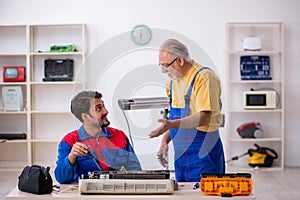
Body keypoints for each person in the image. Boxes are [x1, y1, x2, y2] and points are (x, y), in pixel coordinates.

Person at [149, 39, 225, 182]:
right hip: (181, 158)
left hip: (203, 154)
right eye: (161, 65)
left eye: (166, 65)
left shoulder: (204, 77)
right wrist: (165, 141)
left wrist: (171, 125)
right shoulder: (172, 84)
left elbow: (204, 117)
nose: (163, 70)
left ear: (180, 61)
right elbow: (175, 120)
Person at [55, 91, 141, 184]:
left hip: (114, 192)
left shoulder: (120, 136)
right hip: (82, 196)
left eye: (103, 106)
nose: (105, 111)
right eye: (99, 109)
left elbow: (136, 172)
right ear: (85, 116)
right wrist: (71, 157)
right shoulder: (68, 141)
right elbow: (61, 178)